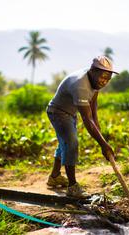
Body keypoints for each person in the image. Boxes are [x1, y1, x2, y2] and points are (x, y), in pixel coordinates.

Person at [46, 55, 119, 198]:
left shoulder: (96, 81)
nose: (104, 82)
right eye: (102, 78)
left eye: (107, 79)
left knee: (65, 143)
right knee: (71, 143)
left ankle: (54, 177)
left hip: (70, 112)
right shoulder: (80, 84)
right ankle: (72, 187)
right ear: (93, 71)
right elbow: (87, 118)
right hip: (58, 112)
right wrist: (104, 145)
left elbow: (93, 108)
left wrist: (100, 135)